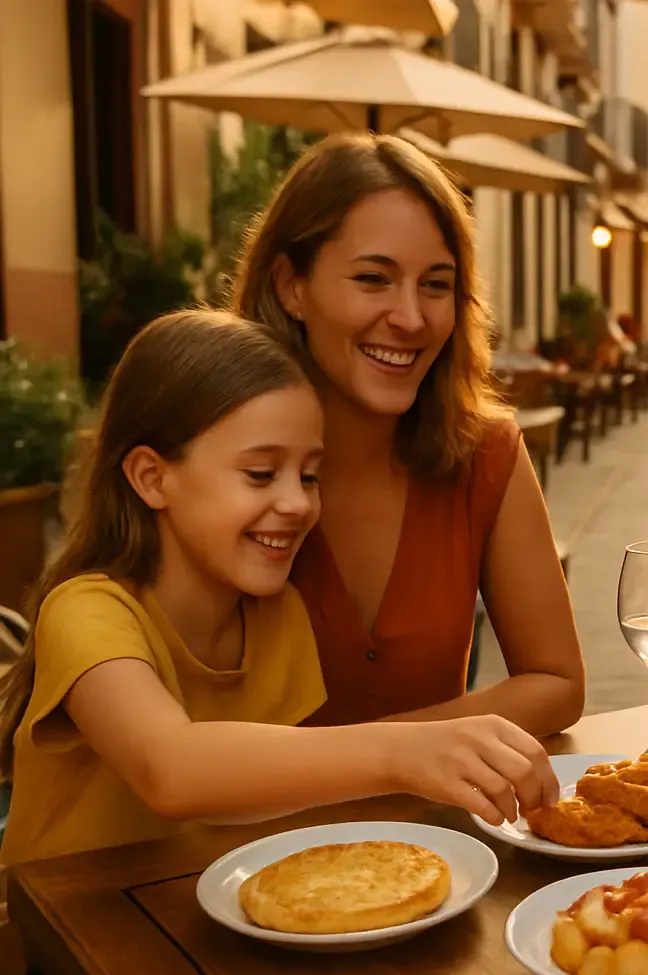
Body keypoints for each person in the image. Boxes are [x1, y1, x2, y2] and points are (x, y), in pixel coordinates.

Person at [0, 310, 558, 865]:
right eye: (261, 474)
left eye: (309, 475)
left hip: (195, 918)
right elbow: (170, 770)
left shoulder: (280, 615)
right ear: (152, 477)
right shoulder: (86, 611)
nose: (297, 503)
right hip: (66, 938)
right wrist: (403, 751)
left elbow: (269, 798)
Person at [231, 133, 584, 733]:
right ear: (292, 285)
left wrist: (389, 757)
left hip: (431, 830)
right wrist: (401, 757)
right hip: (248, 830)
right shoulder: (210, 449)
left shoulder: (485, 455)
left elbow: (557, 685)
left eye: (436, 284)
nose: (411, 318)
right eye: (373, 279)